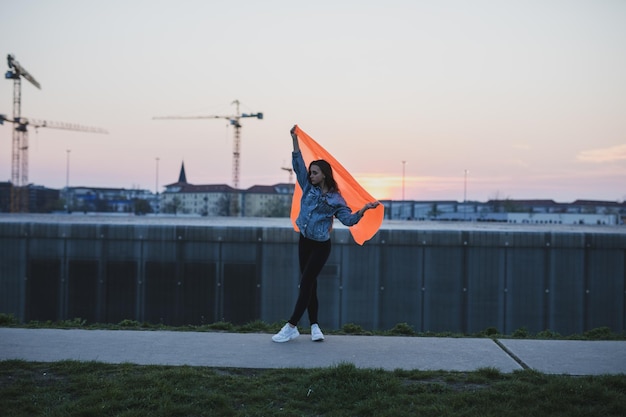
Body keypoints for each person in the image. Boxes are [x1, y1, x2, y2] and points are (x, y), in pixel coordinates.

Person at [272, 125, 380, 343]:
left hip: (321, 246)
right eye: (310, 172)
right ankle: (315, 327)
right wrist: (295, 139)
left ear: (324, 175)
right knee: (310, 284)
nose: (310, 175)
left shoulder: (336, 200)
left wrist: (364, 209)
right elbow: (297, 163)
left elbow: (349, 220)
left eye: (315, 173)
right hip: (304, 241)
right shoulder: (307, 186)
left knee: (306, 283)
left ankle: (291, 326)